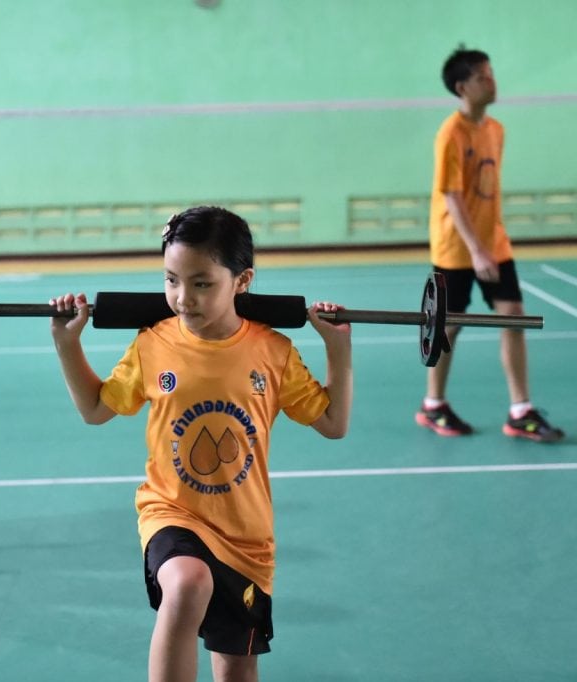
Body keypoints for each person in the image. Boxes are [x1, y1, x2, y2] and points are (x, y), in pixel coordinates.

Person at [49, 206, 353, 682]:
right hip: (170, 512)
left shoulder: (273, 352)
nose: (182, 298)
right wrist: (67, 345)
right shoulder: (154, 344)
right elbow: (95, 408)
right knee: (189, 581)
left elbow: (333, 423)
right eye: (171, 280)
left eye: (202, 283)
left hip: (245, 538)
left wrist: (338, 348)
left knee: (236, 670)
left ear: (242, 280)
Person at [416, 48, 564, 443]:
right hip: (456, 247)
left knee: (513, 316)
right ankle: (433, 404)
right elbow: (451, 195)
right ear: (462, 87)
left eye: (492, 74)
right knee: (450, 325)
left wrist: (489, 245)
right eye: (483, 77)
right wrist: (475, 249)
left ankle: (520, 410)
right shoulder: (451, 133)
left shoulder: (496, 130)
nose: (492, 82)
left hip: (494, 242)